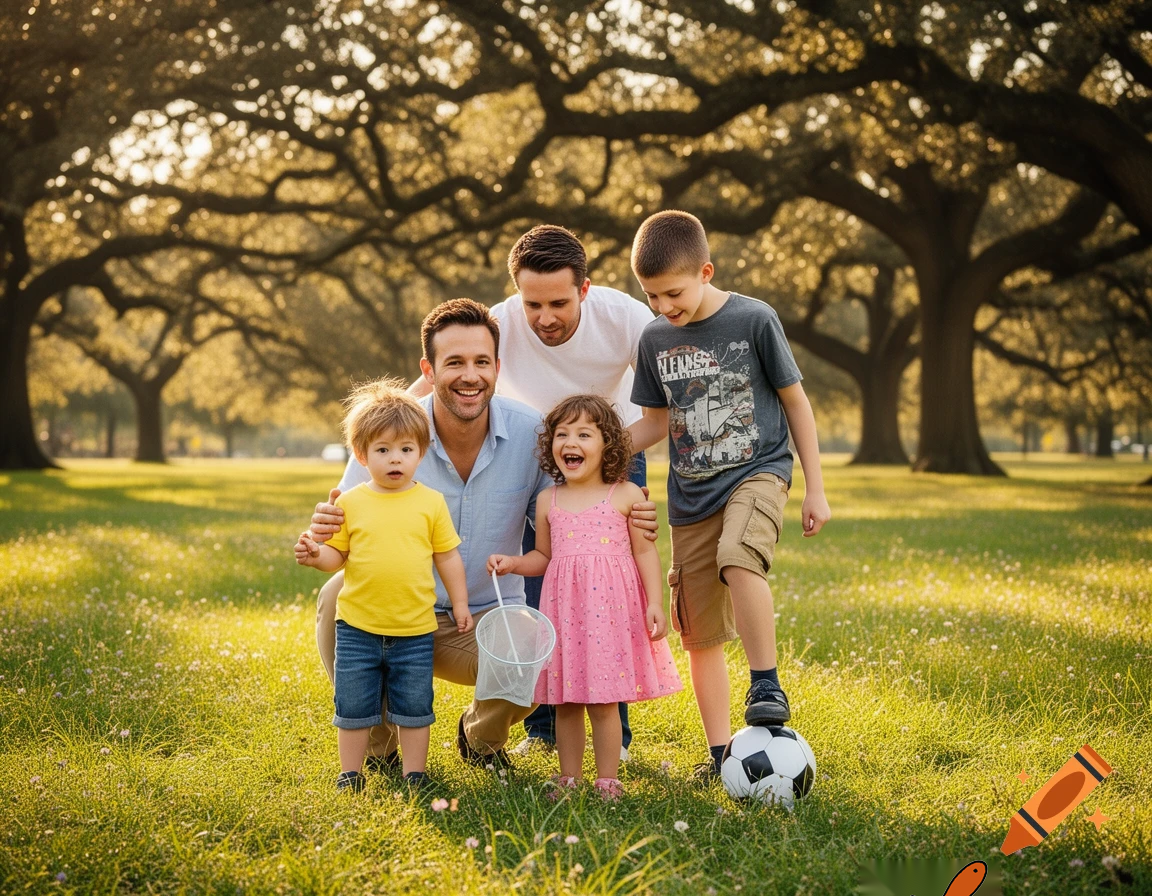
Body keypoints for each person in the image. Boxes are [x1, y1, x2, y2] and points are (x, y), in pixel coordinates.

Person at [307, 298, 658, 770]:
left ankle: (480, 739)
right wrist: (324, 530)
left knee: (537, 644)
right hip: (392, 611)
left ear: (497, 366)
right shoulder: (389, 433)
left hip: (484, 618)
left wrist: (629, 514)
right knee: (334, 599)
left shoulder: (531, 433)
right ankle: (379, 742)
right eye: (454, 362)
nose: (469, 375)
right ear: (428, 369)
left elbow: (579, 498)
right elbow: (341, 515)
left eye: (480, 362)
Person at [409, 225, 656, 760]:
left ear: (584, 290)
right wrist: (383, 440)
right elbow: (427, 385)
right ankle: (544, 731)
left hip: (613, 453)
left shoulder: (627, 318)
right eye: (532, 303)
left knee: (607, 593)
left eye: (559, 303)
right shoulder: (497, 322)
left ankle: (618, 734)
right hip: (534, 454)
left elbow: (664, 410)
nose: (544, 317)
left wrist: (603, 459)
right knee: (549, 587)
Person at [626, 210, 832, 783]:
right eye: (651, 296)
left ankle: (766, 683)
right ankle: (722, 756)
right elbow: (656, 422)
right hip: (690, 497)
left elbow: (796, 403)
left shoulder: (753, 319)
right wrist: (606, 445)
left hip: (758, 472)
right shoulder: (654, 338)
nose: (664, 306)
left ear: (705, 271)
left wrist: (814, 488)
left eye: (673, 292)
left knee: (738, 557)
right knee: (700, 633)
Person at [487, 395, 681, 799]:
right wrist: (512, 563)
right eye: (562, 434)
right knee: (567, 701)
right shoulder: (548, 500)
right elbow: (543, 557)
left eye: (583, 434)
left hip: (610, 615)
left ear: (607, 444)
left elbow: (645, 551)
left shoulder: (626, 494)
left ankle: (607, 779)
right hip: (565, 614)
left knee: (605, 701)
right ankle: (568, 777)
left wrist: (655, 602)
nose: (570, 442)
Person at [294, 380, 472, 792]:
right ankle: (351, 773)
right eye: (383, 450)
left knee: (414, 707)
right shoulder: (352, 502)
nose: (396, 459)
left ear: (420, 453)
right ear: (362, 454)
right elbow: (337, 557)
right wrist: (314, 554)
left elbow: (446, 556)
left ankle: (415, 774)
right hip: (357, 628)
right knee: (354, 706)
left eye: (406, 450)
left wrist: (460, 603)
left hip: (414, 629)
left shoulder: (429, 503)